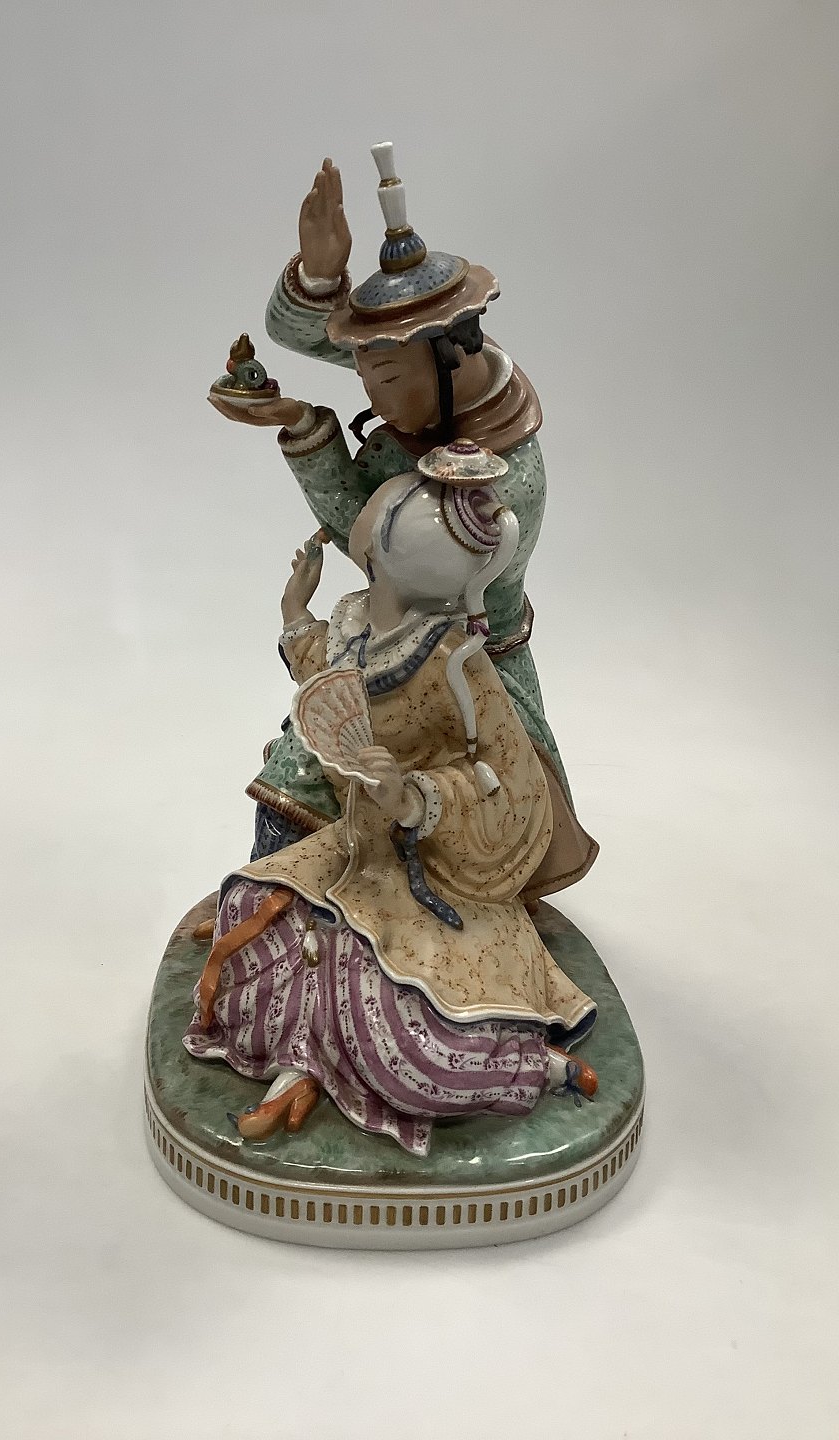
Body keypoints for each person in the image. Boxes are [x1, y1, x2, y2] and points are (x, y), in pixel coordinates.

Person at [208, 144, 597, 919]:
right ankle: (286, 922)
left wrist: (307, 427)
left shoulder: (501, 487)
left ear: (451, 356)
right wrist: (321, 277)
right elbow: (304, 333)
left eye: (385, 379)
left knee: (449, 828)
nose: (375, 399)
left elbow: (375, 543)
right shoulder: (430, 375)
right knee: (302, 790)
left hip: (460, 681)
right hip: (383, 647)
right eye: (365, 377)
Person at [183, 443, 598, 1157]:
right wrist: (294, 609)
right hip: (351, 845)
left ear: (383, 551)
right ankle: (305, 1058)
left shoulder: (453, 661)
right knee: (249, 913)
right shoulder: (356, 621)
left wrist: (417, 797)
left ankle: (530, 1065)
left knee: (403, 1037)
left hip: (424, 870)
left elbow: (509, 782)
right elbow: (325, 677)